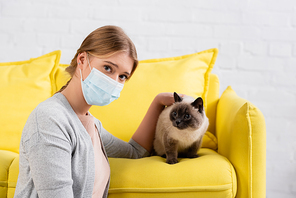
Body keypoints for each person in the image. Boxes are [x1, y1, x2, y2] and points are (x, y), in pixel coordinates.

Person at [14, 25, 176, 198]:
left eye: (122, 76)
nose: (114, 81)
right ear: (82, 60)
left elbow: (135, 152)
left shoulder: (90, 124)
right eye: (108, 68)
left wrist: (159, 101)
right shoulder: (50, 119)